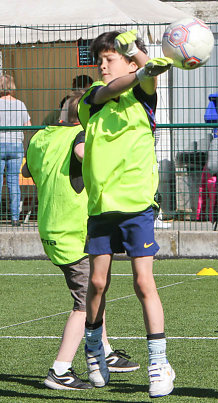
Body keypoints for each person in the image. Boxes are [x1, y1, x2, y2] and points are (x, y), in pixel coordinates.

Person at [77, 29, 175, 398]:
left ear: (128, 61)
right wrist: (136, 65)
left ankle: (159, 362)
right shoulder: (92, 98)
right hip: (102, 206)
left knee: (142, 282)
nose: (102, 66)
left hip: (137, 207)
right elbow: (110, 89)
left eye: (109, 58)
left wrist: (137, 52)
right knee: (98, 284)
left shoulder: (142, 97)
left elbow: (152, 73)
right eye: (99, 60)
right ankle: (93, 347)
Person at [23, 91, 139, 391]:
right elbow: (83, 154)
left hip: (50, 227)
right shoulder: (81, 136)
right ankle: (59, 371)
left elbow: (27, 170)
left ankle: (106, 352)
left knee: (94, 292)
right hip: (73, 234)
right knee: (84, 304)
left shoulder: (41, 137)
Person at [0, 74, 32, 226]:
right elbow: (28, 125)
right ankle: (15, 218)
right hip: (16, 145)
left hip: (0, 144)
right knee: (13, 183)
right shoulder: (20, 104)